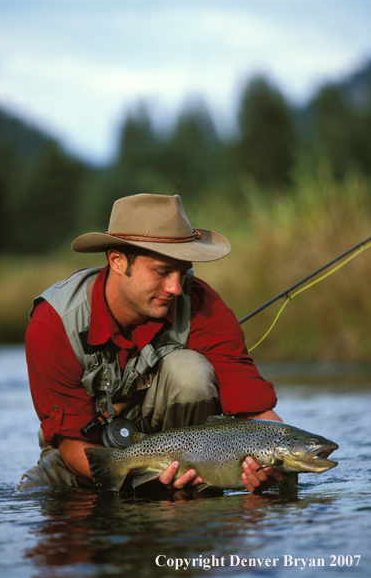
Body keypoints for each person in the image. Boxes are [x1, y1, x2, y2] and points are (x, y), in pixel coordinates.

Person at [18, 193, 284, 493]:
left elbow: (254, 408)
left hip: (187, 462)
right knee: (33, 495)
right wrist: (141, 482)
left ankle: (190, 491)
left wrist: (280, 462)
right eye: (161, 272)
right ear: (117, 260)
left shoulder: (203, 305)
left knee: (189, 371)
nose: (174, 288)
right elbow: (69, 441)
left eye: (183, 272)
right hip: (84, 456)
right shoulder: (52, 325)